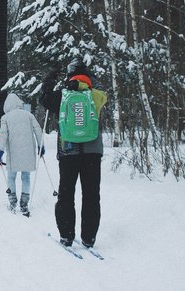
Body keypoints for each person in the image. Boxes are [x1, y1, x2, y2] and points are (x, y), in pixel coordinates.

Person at [39, 59, 108, 248]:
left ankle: (66, 235)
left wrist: (51, 78)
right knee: (91, 194)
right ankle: (89, 237)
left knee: (66, 194)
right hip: (93, 152)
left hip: (68, 151)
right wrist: (90, 77)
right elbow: (104, 93)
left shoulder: (63, 95)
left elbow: (43, 98)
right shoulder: (95, 95)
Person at [0, 93, 44, 217]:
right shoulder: (29, 115)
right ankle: (24, 202)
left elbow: (3, 135)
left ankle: (12, 202)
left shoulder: (6, 118)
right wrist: (41, 145)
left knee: (11, 177)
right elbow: (38, 130)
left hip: (13, 151)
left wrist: (0, 150)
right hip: (28, 150)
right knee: (26, 177)